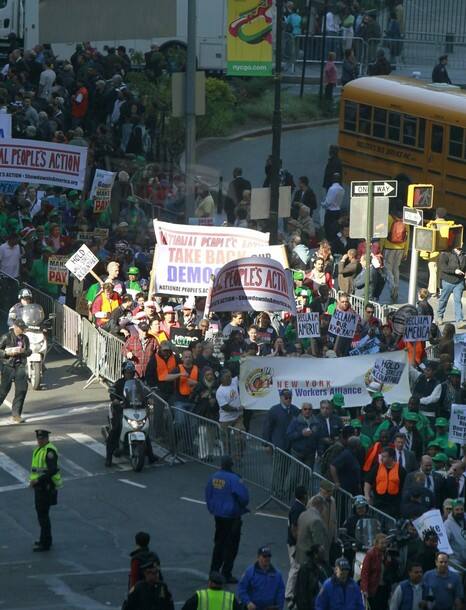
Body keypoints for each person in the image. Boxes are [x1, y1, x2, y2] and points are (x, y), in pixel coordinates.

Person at [205, 455, 249, 583]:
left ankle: (214, 570)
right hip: (232, 517)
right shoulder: (234, 479)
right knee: (231, 546)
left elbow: (208, 494)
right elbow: (244, 498)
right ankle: (226, 573)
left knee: (219, 543)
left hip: (218, 516)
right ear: (231, 465)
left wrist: (212, 508)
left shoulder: (213, 477)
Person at [106, 361, 156, 467]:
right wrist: (114, 399)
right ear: (124, 372)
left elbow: (144, 392)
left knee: (143, 428)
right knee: (116, 429)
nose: (129, 374)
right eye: (127, 372)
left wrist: (148, 398)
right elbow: (112, 391)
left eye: (131, 372)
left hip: (136, 409)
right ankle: (108, 456)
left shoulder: (138, 383)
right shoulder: (119, 383)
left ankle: (151, 455)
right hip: (121, 409)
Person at [29, 429, 62, 552]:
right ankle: (44, 539)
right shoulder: (40, 449)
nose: (40, 440)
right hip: (41, 486)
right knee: (42, 515)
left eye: (42, 438)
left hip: (46, 487)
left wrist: (37, 480)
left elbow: (53, 470)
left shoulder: (49, 451)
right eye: (38, 438)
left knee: (43, 516)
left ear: (47, 439)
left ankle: (45, 543)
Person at [0, 318, 31, 423]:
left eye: (24, 328)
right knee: (3, 391)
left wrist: (24, 351)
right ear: (15, 327)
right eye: (21, 328)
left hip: (20, 366)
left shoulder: (25, 338)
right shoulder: (6, 337)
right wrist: (6, 353)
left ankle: (16, 414)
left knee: (22, 390)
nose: (23, 330)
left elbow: (29, 351)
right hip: (8, 366)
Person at [237, 546, 285, 610]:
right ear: (258, 557)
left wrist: (279, 607)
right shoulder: (249, 572)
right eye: (264, 556)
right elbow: (241, 589)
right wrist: (248, 602)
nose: (267, 558)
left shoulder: (277, 574)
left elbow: (280, 593)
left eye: (269, 556)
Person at [364, 446, 407, 517]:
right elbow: (368, 481)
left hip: (394, 505)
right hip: (378, 503)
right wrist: (367, 496)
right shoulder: (377, 467)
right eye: (382, 456)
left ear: (391, 458)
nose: (381, 458)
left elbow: (404, 487)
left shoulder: (401, 470)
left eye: (384, 456)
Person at [285, 486, 308, 603]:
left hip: (293, 543)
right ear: (304, 496)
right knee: (295, 567)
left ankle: (292, 591)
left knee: (296, 567)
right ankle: (289, 593)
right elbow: (294, 528)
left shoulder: (296, 507)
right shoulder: (298, 509)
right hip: (295, 544)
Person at [381, 206, 408, 303]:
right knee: (396, 268)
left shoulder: (389, 218)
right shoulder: (405, 219)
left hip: (389, 247)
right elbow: (407, 237)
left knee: (387, 268)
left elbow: (384, 234)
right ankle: (397, 285)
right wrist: (405, 250)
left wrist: (380, 248)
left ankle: (392, 286)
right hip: (400, 248)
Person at [295, 494, 330, 564]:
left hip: (300, 555)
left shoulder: (303, 514)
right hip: (311, 560)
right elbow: (319, 544)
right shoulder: (317, 521)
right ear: (321, 506)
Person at [437, 245, 466, 327]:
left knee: (458, 301)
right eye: (458, 248)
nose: (460, 250)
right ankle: (439, 317)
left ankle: (459, 321)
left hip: (459, 282)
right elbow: (443, 267)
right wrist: (454, 271)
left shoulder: (464, 255)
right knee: (443, 300)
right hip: (447, 281)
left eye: (460, 248)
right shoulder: (446, 254)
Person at [360, 534, 390, 610]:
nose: (384, 545)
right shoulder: (371, 554)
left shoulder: (386, 553)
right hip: (374, 587)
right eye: (382, 543)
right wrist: (365, 589)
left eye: (385, 543)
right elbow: (365, 573)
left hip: (384, 587)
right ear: (376, 544)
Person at [286, 403, 318, 468]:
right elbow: (289, 435)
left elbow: (319, 437)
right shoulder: (295, 421)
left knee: (307, 475)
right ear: (302, 410)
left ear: (312, 411)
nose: (307, 411)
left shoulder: (316, 422)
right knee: (295, 475)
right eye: (305, 409)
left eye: (309, 409)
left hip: (310, 453)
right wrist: (301, 434)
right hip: (297, 452)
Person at [321, 173, 344, 241]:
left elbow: (328, 202)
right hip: (338, 211)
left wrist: (322, 204)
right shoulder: (342, 189)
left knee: (329, 230)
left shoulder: (332, 189)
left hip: (331, 212)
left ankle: (330, 242)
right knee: (337, 229)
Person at [444, 499, 466, 565]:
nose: (460, 512)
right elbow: (445, 543)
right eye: (457, 509)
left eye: (462, 509)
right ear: (452, 510)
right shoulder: (447, 524)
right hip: (456, 561)